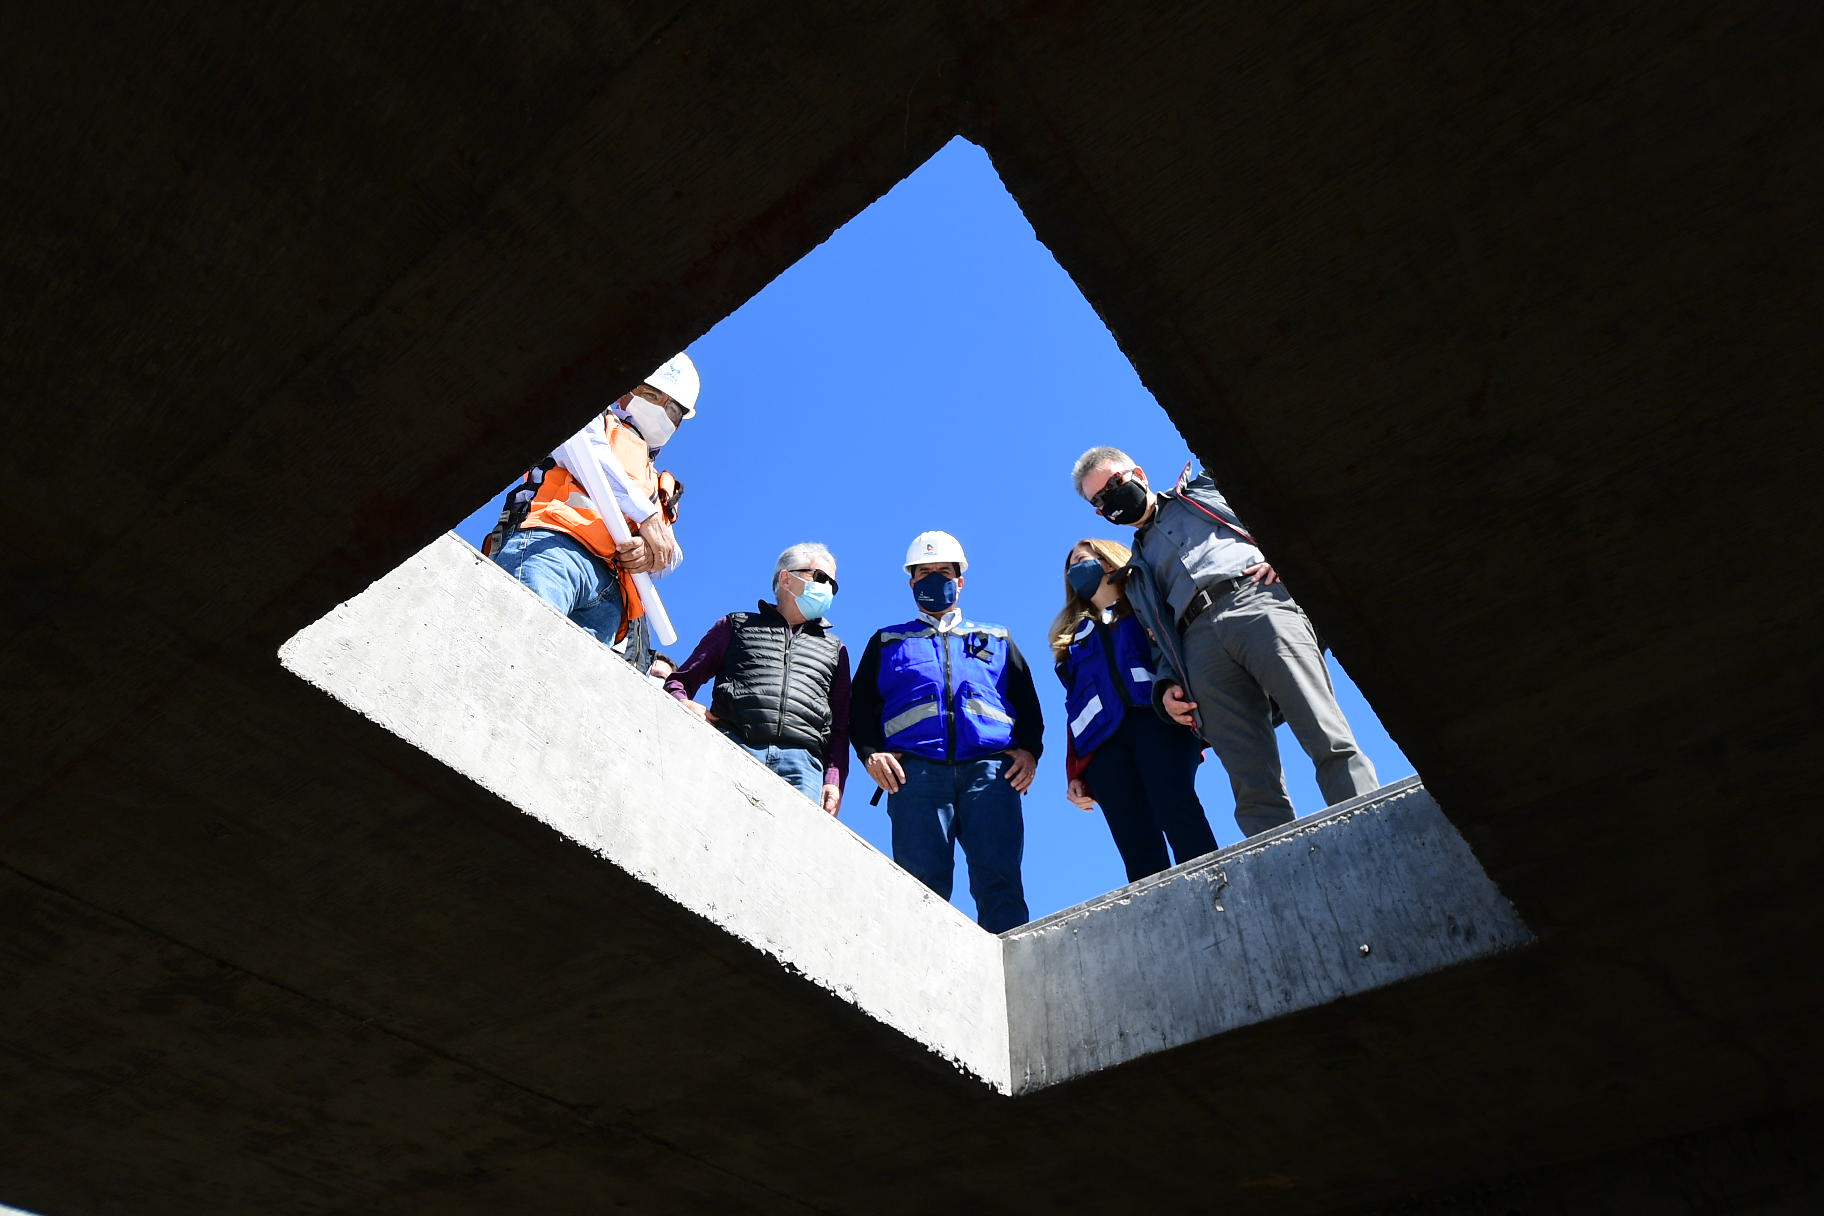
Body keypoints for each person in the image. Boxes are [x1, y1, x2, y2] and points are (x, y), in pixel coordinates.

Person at [1072, 447, 1378, 837]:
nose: (1112, 496)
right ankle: (1279, 862)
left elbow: (1279, 497)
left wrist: (1285, 554)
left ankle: (1370, 824)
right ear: (1099, 513)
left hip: (1256, 599)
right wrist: (1166, 684)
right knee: (1249, 778)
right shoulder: (1136, 571)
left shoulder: (1204, 489)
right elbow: (1155, 637)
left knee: (1323, 730)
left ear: (1139, 473)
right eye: (1101, 498)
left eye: (1115, 482)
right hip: (1196, 643)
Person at [850, 531, 1044, 933]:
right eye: (925, 572)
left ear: (960, 581)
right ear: (911, 582)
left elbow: (1027, 703)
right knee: (919, 889)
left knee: (1001, 884)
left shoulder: (996, 638)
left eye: (943, 571)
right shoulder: (888, 641)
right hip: (915, 777)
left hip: (991, 776)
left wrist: (1030, 751)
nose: (934, 578)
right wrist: (870, 752)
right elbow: (859, 708)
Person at [485, 353, 698, 661]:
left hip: (612, 594)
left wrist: (651, 555)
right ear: (629, 391)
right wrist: (646, 516)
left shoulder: (659, 484)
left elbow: (670, 550)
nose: (664, 413)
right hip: (554, 548)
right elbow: (585, 455)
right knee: (513, 648)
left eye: (674, 410)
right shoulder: (592, 418)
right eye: (653, 396)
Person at [1050, 537, 1218, 882]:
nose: (1076, 569)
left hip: (1158, 722)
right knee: (1133, 837)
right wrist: (1074, 773)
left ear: (1108, 561)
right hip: (1103, 746)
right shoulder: (1072, 642)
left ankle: (1213, 887)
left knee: (1177, 807)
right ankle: (1159, 915)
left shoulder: (1146, 608)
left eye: (1084, 559)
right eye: (1071, 567)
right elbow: (1074, 710)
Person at [664, 543, 851, 815]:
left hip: (802, 768)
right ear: (786, 578)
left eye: (832, 585)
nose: (826, 589)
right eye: (820, 577)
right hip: (735, 746)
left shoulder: (835, 649)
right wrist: (683, 702)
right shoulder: (736, 624)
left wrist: (834, 779)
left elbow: (840, 724)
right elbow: (680, 681)